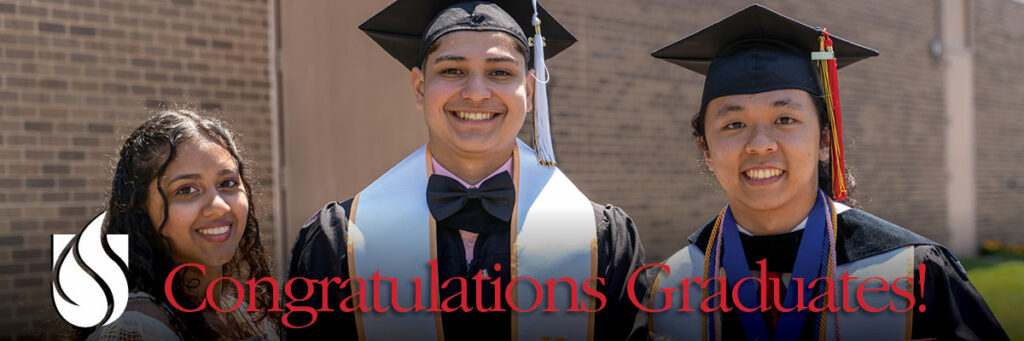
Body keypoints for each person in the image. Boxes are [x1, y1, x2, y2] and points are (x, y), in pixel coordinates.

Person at [284, 1, 648, 340]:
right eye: (452, 70)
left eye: (500, 72)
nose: (476, 92)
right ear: (419, 87)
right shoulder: (339, 242)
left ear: (531, 89)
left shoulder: (601, 242)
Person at [647, 4, 1007, 340]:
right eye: (734, 124)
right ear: (706, 151)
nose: (760, 144)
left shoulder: (913, 272)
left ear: (824, 141)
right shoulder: (665, 288)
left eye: (785, 119)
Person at [70, 107, 280, 340]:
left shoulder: (242, 315)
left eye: (227, 183)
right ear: (141, 210)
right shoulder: (135, 330)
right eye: (187, 190)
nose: (220, 205)